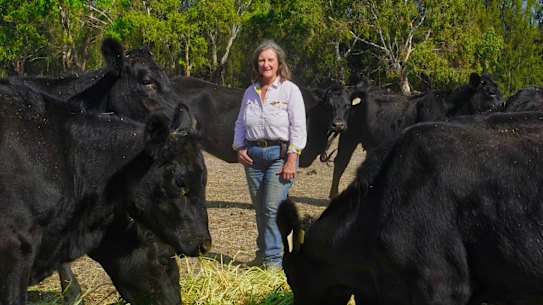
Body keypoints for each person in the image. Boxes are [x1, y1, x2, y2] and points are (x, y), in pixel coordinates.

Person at [233, 39, 306, 269]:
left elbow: (298, 126)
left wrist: (292, 158)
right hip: (253, 156)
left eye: (270, 60)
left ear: (279, 62)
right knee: (260, 209)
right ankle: (263, 253)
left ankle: (273, 262)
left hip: (279, 155)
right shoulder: (250, 91)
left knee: (272, 208)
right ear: (257, 64)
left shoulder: (289, 90)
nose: (266, 64)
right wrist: (240, 148)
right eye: (262, 60)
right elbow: (240, 124)